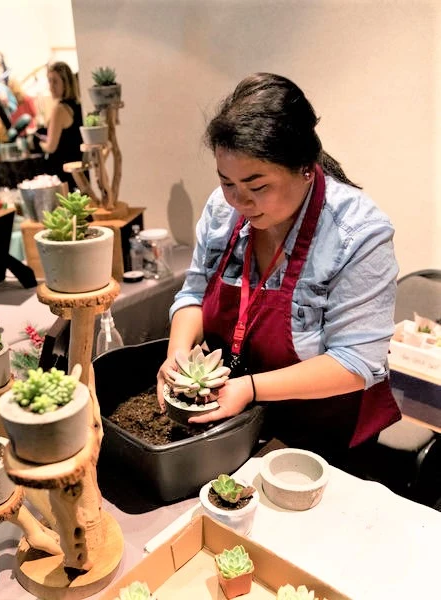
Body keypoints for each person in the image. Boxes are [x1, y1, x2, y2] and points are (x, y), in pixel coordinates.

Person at [157, 72, 401, 471]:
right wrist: (178, 356)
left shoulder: (357, 233)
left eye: (257, 186)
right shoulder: (223, 211)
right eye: (227, 183)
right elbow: (194, 292)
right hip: (241, 418)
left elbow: (356, 362)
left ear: (305, 168)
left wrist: (250, 389)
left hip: (324, 432)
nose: (240, 201)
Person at [38, 61, 83, 190]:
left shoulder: (60, 109)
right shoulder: (78, 106)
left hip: (63, 171)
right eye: (49, 81)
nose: (51, 86)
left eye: (55, 81)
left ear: (66, 83)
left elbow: (51, 147)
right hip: (77, 168)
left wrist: (39, 144)